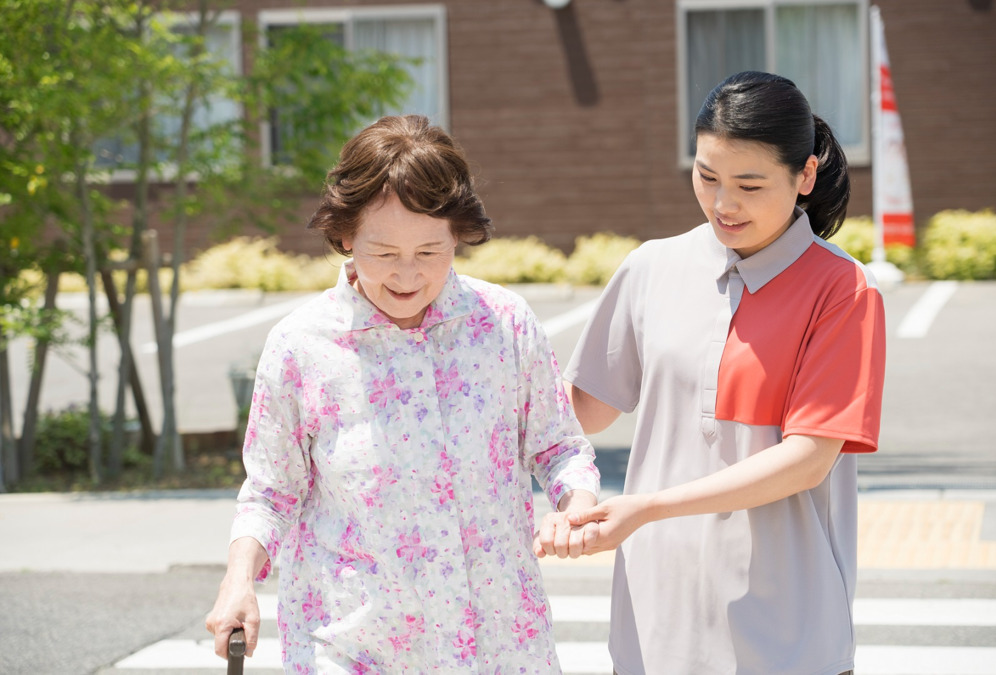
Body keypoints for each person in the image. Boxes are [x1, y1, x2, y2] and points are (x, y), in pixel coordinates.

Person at [205, 114, 600, 673]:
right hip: (356, 643)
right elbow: (271, 491)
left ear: (457, 236)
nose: (408, 275)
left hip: (500, 640)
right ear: (344, 235)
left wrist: (575, 508)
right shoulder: (301, 347)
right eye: (385, 253)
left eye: (431, 252)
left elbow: (557, 446)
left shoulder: (504, 323)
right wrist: (238, 581)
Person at [554, 71, 886, 675]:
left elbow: (808, 458)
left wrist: (647, 506)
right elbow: (577, 413)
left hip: (788, 635)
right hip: (655, 623)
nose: (723, 205)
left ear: (805, 175)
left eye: (749, 185)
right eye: (707, 177)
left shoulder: (842, 291)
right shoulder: (651, 268)